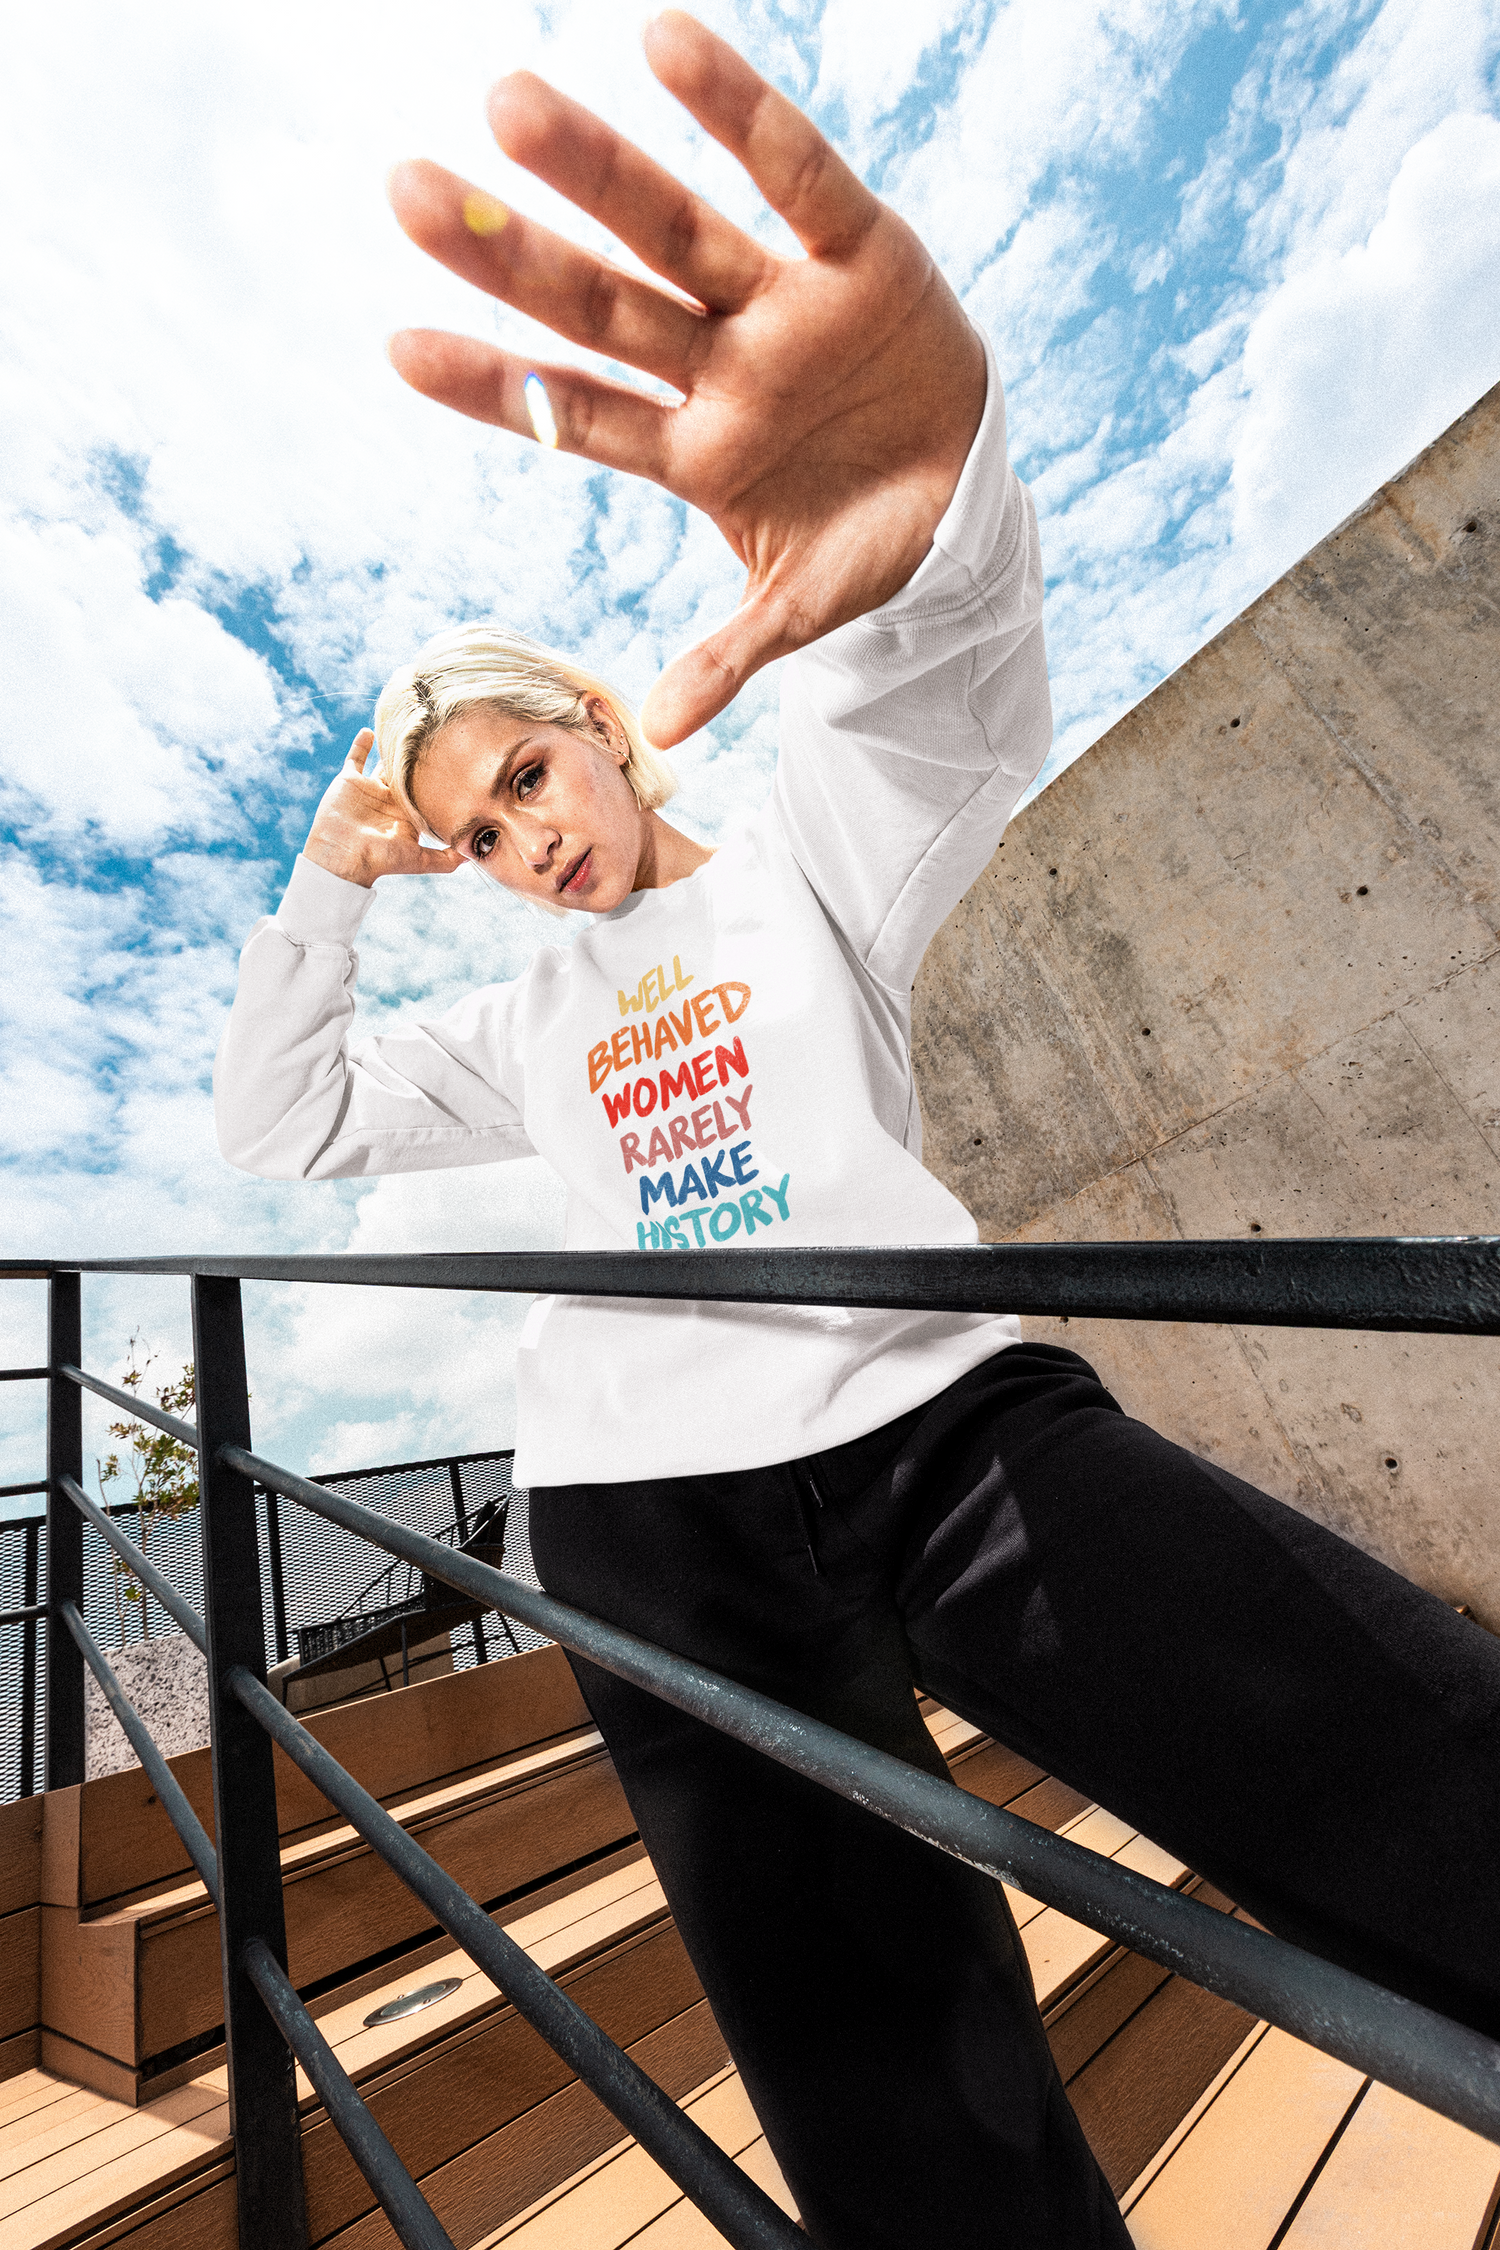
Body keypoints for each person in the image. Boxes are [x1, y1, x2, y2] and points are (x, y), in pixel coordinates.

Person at [215, 16, 1500, 2247]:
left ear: (606, 738)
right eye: (472, 837)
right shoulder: (523, 1024)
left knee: (1408, 1761)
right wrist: (337, 876)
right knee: (908, 2128)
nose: (522, 844)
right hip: (648, 1531)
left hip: (941, 1422)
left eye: (527, 778)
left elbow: (936, 682)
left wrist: (932, 505)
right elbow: (287, 1122)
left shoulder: (814, 848)